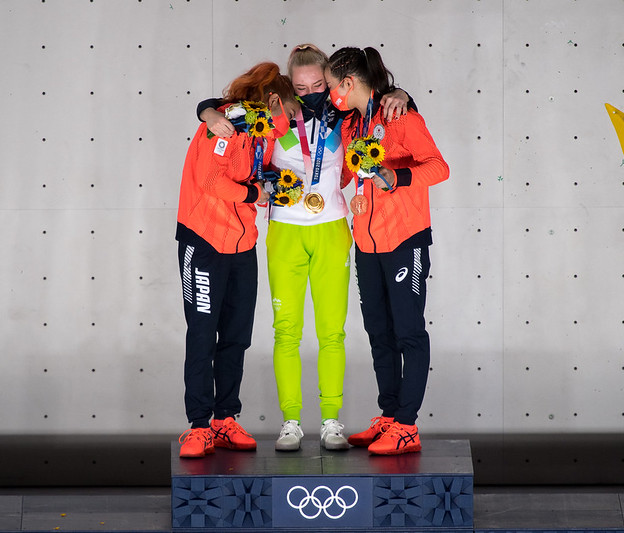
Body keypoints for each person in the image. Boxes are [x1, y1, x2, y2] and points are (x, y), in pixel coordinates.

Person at [198, 44, 412, 451]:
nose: (311, 92)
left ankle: (331, 422)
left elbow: (379, 100)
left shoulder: (345, 114)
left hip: (332, 230)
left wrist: (403, 94)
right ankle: (291, 423)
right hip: (285, 233)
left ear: (330, 82)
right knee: (286, 333)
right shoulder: (273, 111)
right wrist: (206, 112)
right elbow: (221, 107)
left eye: (318, 85)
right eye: (301, 87)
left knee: (332, 333)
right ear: (288, 85)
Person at [325, 46, 449, 455]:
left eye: (331, 86)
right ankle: (390, 416)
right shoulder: (350, 124)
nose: (330, 94)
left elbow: (439, 167)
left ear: (348, 83)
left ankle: (408, 426)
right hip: (367, 242)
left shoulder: (401, 116)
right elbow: (348, 173)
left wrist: (398, 177)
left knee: (408, 331)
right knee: (379, 333)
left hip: (404, 239)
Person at [176, 62, 299, 458]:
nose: (289, 122)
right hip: (204, 241)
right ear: (273, 100)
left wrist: (271, 185)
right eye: (289, 112)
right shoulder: (225, 124)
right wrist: (254, 194)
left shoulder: (262, 131)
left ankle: (224, 419)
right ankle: (199, 426)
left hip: (243, 245)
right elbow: (210, 180)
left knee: (236, 336)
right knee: (202, 334)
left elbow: (249, 174)